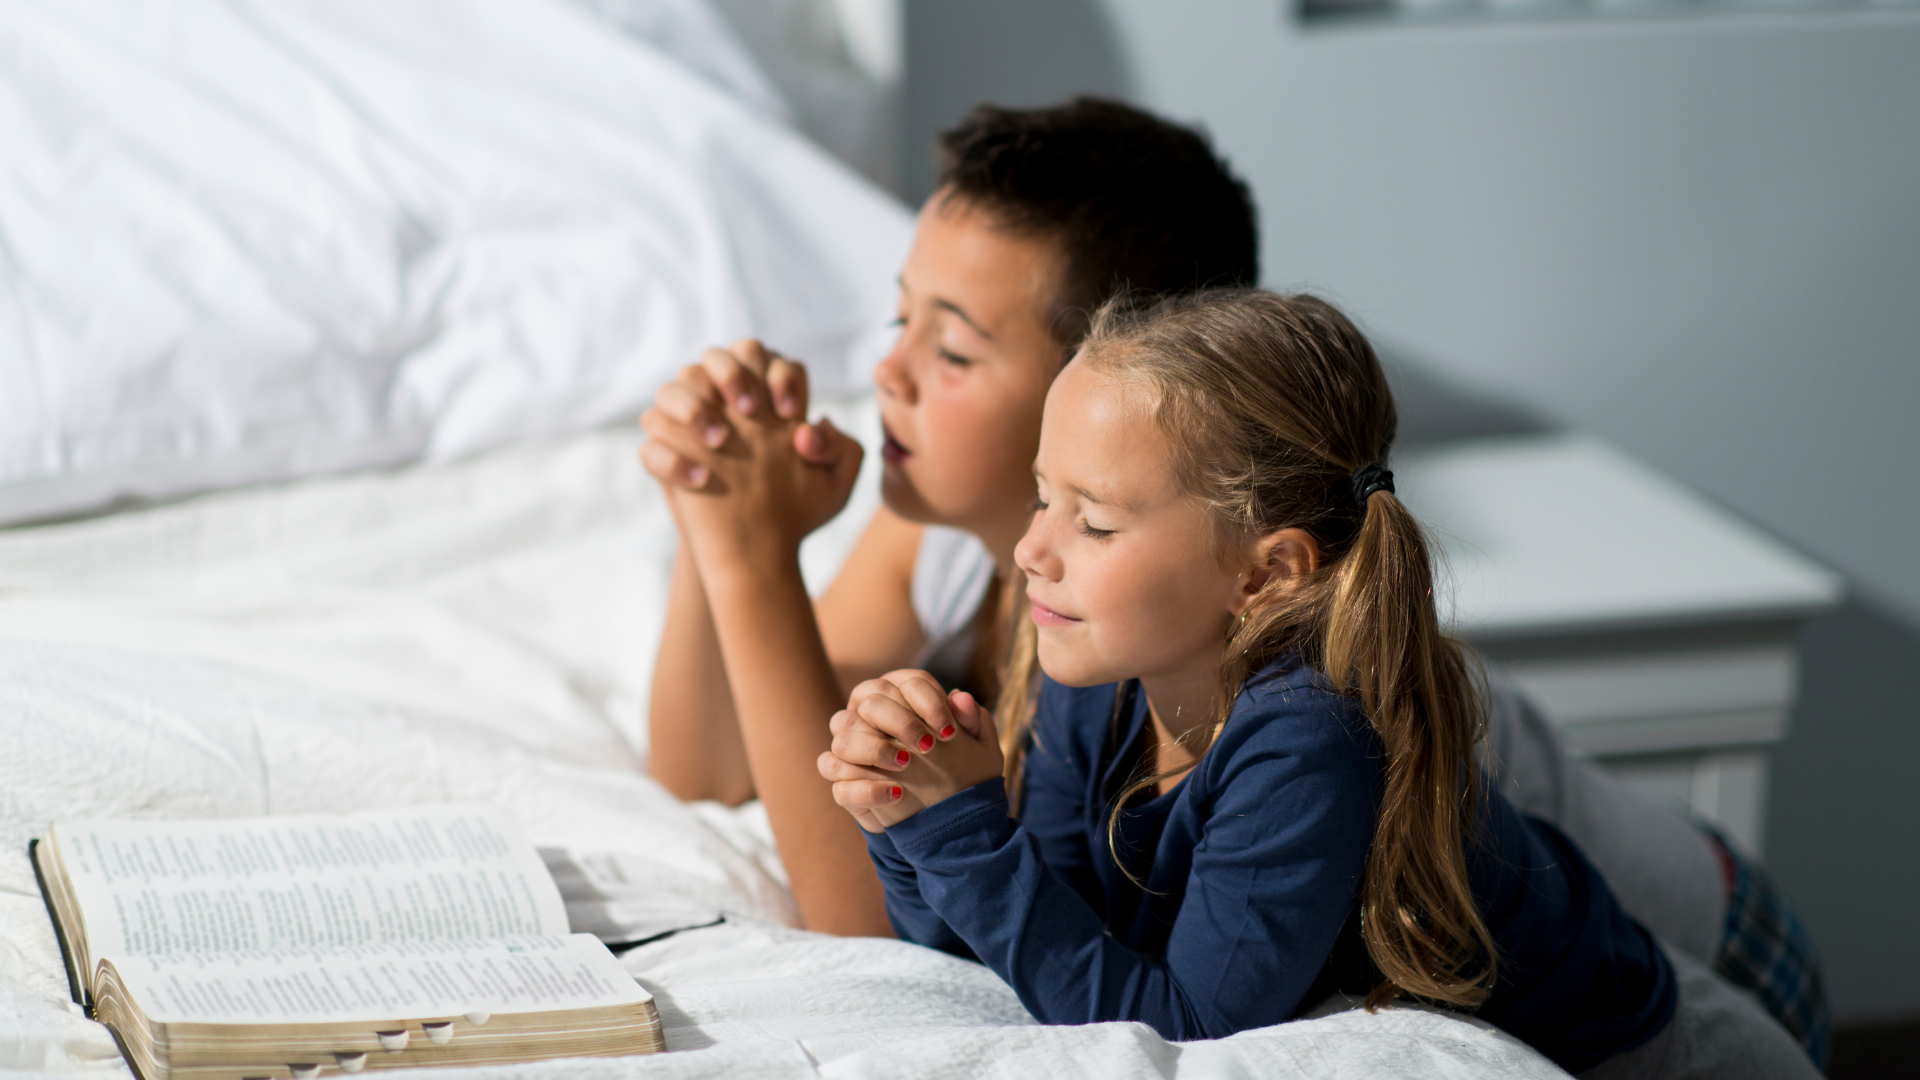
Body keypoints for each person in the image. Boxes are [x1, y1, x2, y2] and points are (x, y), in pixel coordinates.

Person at [638, 98, 1826, 1063]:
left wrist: (950, 823)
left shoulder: (1314, 709)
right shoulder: (1081, 620)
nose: (883, 372)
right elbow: (738, 775)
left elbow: (1174, 1010)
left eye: (951, 346)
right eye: (898, 320)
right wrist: (727, 539)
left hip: (1694, 936)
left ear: (1118, 368)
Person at [814, 289, 1818, 1079]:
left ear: (1263, 574)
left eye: (1096, 521)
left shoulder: (1308, 739)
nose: (1032, 548)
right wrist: (915, 827)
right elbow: (1059, 945)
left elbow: (1193, 1032)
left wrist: (966, 839)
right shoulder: (1098, 675)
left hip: (1673, 1045)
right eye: (1043, 498)